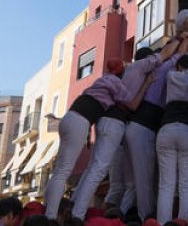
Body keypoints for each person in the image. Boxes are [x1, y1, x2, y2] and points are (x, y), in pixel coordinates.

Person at [45, 62, 148, 219]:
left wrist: (87, 134)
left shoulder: (99, 82)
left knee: (59, 171)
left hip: (68, 118)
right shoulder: (115, 82)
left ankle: (48, 210)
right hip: (80, 121)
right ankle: (51, 217)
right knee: (64, 171)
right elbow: (132, 104)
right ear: (121, 74)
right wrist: (146, 83)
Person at [71, 52, 166, 219]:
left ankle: (73, 205)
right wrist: (146, 84)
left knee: (96, 171)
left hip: (102, 123)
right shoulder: (121, 81)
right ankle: (77, 215)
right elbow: (133, 105)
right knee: (102, 172)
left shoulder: (103, 80)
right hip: (114, 126)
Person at [123, 39, 187, 220]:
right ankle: (146, 219)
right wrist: (185, 37)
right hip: (144, 129)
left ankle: (119, 218)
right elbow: (179, 55)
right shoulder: (162, 69)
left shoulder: (144, 73)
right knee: (145, 183)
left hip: (134, 128)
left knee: (133, 185)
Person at [156, 52, 188, 223]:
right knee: (187, 186)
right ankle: (184, 223)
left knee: (166, 186)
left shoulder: (171, 75)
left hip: (167, 128)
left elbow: (171, 61)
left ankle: (162, 223)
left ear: (180, 66)